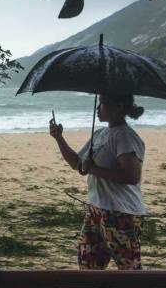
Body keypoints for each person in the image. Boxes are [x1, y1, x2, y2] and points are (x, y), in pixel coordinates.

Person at [49, 94, 147, 270]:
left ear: (117, 107)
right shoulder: (101, 133)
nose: (97, 108)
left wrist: (94, 169)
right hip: (95, 210)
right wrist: (59, 138)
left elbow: (132, 176)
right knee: (88, 266)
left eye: (101, 104)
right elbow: (78, 164)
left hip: (121, 214)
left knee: (129, 268)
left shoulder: (125, 137)